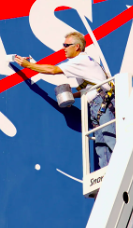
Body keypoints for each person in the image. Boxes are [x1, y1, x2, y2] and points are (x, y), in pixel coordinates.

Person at [14, 31, 116, 169]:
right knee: (102, 146)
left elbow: (53, 70)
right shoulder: (86, 62)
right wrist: (73, 96)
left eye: (67, 45)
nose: (64, 48)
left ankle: (126, 171)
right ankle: (109, 178)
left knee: (110, 140)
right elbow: (93, 86)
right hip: (98, 104)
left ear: (77, 47)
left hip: (101, 105)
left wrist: (28, 66)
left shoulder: (80, 61)